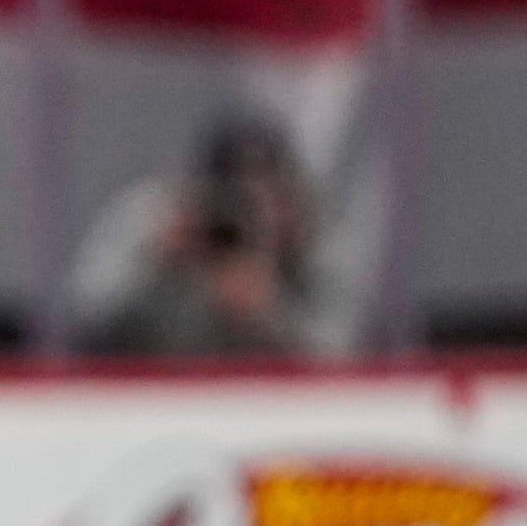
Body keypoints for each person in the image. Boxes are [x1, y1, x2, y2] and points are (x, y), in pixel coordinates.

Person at [68, 110, 358, 360]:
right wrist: (155, 260)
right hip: (162, 391)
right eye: (231, 193)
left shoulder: (312, 229)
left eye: (260, 195)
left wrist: (269, 312)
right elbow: (85, 319)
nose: (242, 213)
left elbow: (346, 346)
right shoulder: (159, 215)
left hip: (274, 402)